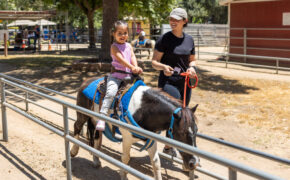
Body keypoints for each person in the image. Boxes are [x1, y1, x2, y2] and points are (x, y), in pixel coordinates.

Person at [151, 8, 197, 156]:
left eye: (177, 19)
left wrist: (192, 68)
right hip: (168, 82)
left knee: (182, 115)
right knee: (176, 113)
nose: (173, 22)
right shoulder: (164, 39)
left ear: (185, 21)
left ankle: (168, 146)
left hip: (185, 83)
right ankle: (173, 146)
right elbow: (154, 62)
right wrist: (163, 67)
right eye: (171, 19)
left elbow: (192, 61)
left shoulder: (189, 40)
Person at [96, 20, 143, 131]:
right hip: (117, 76)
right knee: (111, 92)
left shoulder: (129, 46)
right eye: (120, 33)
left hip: (129, 75)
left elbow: (132, 57)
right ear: (114, 34)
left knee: (141, 90)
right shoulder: (114, 47)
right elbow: (121, 60)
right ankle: (102, 116)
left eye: (125, 33)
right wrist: (132, 67)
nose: (123, 35)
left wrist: (136, 67)